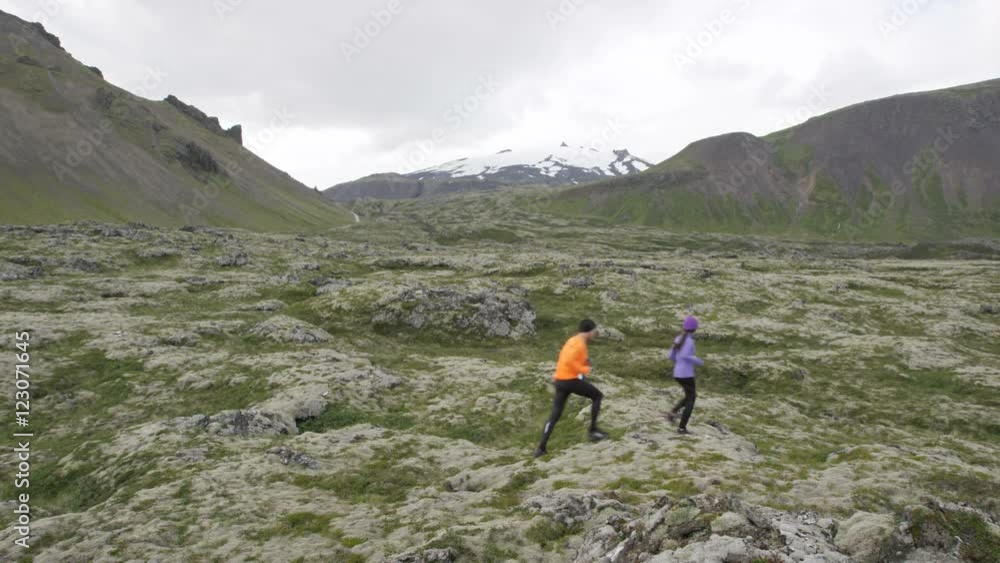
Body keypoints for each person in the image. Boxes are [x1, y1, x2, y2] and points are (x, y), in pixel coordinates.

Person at [534, 319, 608, 458]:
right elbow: (570, 361)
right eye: (594, 331)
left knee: (555, 415)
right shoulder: (580, 344)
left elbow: (566, 357)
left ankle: (541, 448)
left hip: (560, 380)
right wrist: (584, 369)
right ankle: (593, 431)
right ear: (589, 331)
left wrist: (584, 362)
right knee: (597, 396)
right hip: (570, 380)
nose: (595, 334)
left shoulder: (572, 340)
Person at [665, 316, 703, 434]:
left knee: (690, 395)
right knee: (691, 399)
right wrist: (698, 361)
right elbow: (687, 356)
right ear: (695, 329)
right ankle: (682, 428)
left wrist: (679, 363)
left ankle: (673, 412)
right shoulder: (690, 341)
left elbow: (671, 355)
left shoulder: (678, 338)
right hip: (687, 374)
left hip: (677, 372)